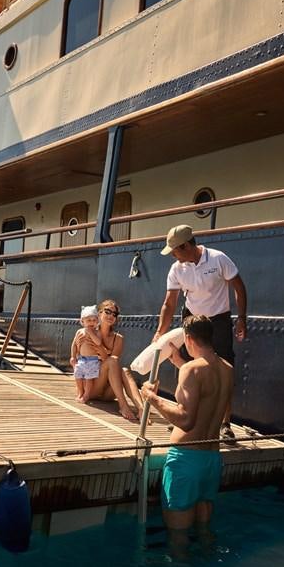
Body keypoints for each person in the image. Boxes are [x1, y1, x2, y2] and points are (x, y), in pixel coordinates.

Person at [142, 315, 233, 541]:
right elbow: (207, 391)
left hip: (186, 459)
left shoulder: (191, 370)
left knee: (178, 539)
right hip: (212, 459)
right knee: (204, 533)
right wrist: (181, 363)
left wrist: (152, 398)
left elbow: (186, 420)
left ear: (189, 339)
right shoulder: (227, 369)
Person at [153, 224, 246, 439]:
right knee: (186, 365)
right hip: (192, 319)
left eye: (174, 251)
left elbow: (239, 287)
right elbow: (169, 302)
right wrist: (160, 331)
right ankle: (184, 415)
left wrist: (241, 319)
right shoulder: (177, 268)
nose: (172, 256)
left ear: (185, 246)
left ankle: (225, 424)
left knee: (223, 366)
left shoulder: (218, 258)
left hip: (218, 320)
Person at [71, 299, 143, 421]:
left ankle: (142, 410)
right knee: (112, 360)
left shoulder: (118, 339)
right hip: (91, 387)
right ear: (99, 313)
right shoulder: (86, 332)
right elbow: (78, 356)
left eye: (114, 314)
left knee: (124, 370)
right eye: (107, 311)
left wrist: (99, 346)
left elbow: (112, 364)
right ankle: (123, 405)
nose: (111, 316)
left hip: (108, 393)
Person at [70, 305, 103, 403]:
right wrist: (73, 356)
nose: (91, 322)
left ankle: (86, 395)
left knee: (89, 379)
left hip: (92, 360)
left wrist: (91, 333)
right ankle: (80, 392)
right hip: (81, 359)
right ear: (82, 322)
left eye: (94, 320)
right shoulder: (79, 332)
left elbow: (98, 343)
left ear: (97, 322)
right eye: (88, 320)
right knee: (78, 376)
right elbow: (74, 345)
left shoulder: (97, 333)